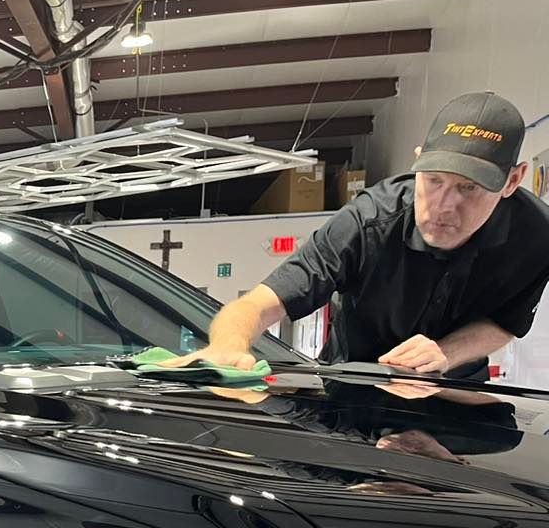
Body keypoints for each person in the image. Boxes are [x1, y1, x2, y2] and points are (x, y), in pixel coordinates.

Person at [170, 92, 549, 380]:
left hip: (455, 396)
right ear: (417, 160)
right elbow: (256, 305)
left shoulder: (536, 237)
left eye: (468, 188)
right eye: (433, 180)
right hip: (352, 387)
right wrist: (228, 344)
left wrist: (444, 354)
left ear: (512, 181)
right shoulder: (367, 223)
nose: (443, 206)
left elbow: (504, 323)